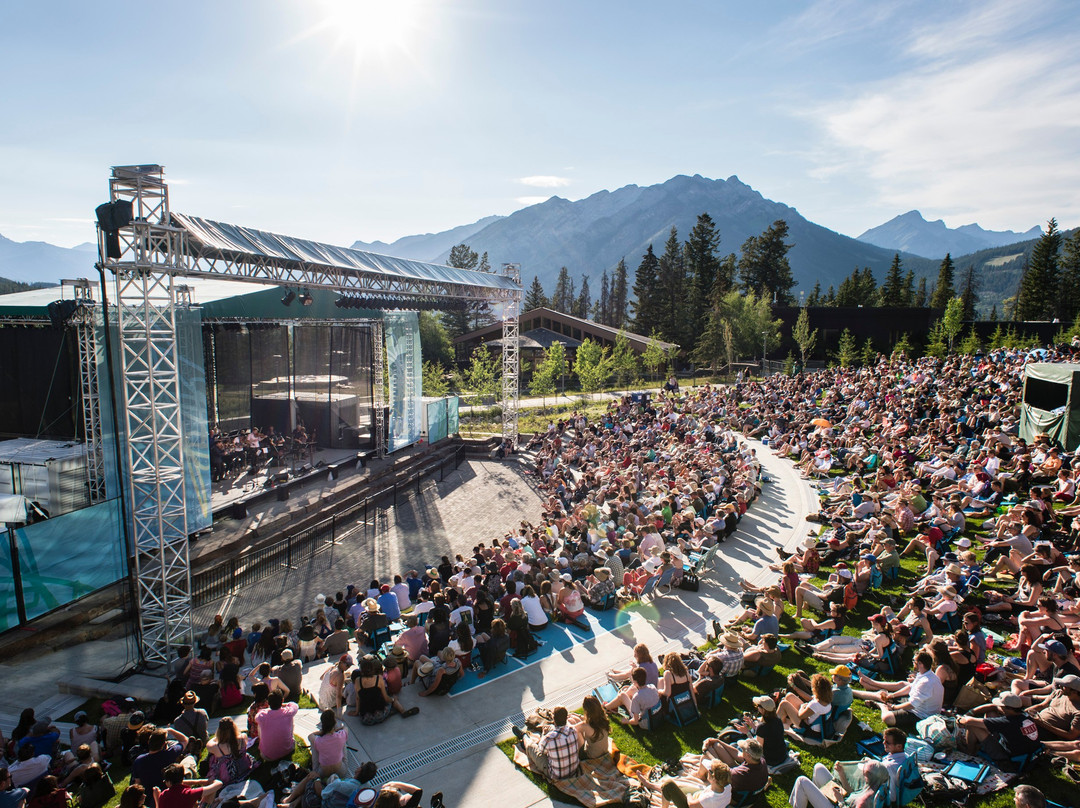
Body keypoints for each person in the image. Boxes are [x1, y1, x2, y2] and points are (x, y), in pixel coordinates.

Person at [789, 758, 889, 808]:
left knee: (802, 781)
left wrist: (840, 801)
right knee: (819, 767)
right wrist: (841, 774)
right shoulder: (874, 786)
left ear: (871, 777)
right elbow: (851, 794)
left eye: (865, 774)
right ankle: (813, 799)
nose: (862, 774)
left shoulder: (864, 801)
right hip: (842, 800)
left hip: (839, 805)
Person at [515, 706, 581, 781]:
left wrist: (544, 734)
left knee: (531, 746)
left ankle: (524, 736)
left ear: (554, 719)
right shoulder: (573, 731)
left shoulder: (549, 738)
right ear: (566, 718)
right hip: (573, 771)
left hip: (555, 775)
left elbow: (540, 751)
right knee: (551, 729)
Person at [204, 718, 252, 787]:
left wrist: (219, 737)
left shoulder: (215, 746)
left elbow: (210, 742)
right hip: (244, 767)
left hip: (227, 776)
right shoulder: (243, 737)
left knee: (212, 757)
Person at [254, 691, 299, 762]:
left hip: (267, 756)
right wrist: (283, 704)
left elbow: (257, 717)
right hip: (288, 750)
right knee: (291, 722)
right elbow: (294, 705)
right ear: (282, 700)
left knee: (260, 726)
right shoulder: (289, 712)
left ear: (268, 702)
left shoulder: (262, 716)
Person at [151, 764, 222, 808]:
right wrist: (204, 781)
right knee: (210, 792)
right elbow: (219, 784)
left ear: (169, 782)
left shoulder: (164, 794)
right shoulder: (189, 793)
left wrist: (157, 798)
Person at [566, 695, 610, 760]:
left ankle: (579, 753)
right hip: (604, 751)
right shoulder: (603, 719)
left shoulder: (585, 726)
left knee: (576, 731)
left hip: (592, 756)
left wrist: (566, 720)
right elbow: (588, 719)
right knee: (576, 720)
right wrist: (576, 715)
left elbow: (571, 728)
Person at [308, 710, 348, 777]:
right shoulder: (340, 736)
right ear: (334, 723)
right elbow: (345, 728)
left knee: (313, 743)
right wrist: (336, 730)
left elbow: (310, 736)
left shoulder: (319, 740)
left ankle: (315, 771)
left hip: (323, 773)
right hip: (341, 772)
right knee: (343, 740)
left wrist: (321, 732)